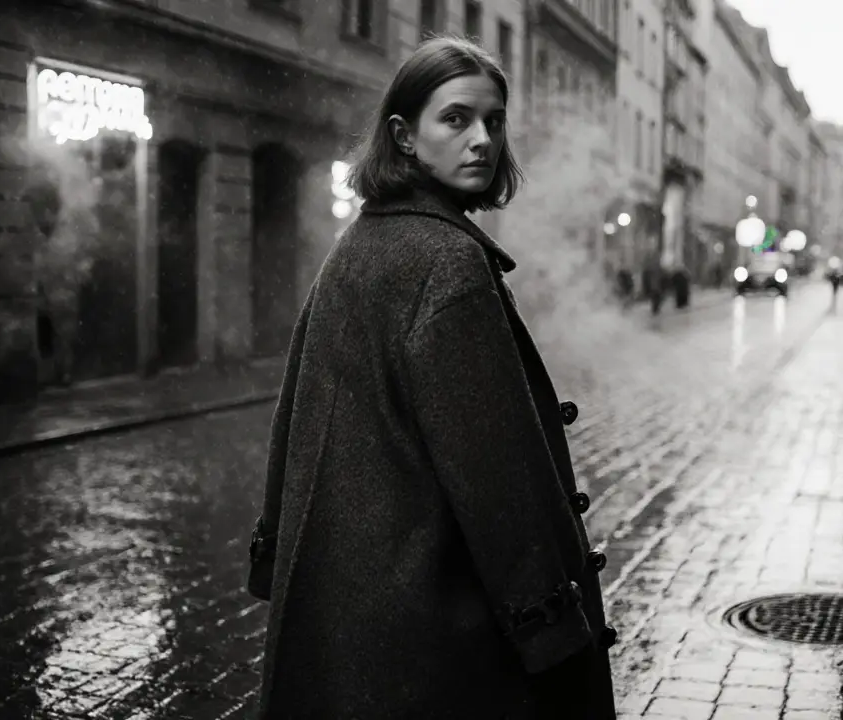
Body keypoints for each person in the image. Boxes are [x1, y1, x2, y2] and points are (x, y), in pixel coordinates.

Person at [248, 36, 618, 719]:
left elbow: (293, 419)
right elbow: (498, 478)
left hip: (347, 623)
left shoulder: (360, 242)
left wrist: (275, 554)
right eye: (456, 119)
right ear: (404, 136)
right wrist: (556, 635)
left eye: (494, 121)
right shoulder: (448, 262)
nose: (483, 140)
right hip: (430, 649)